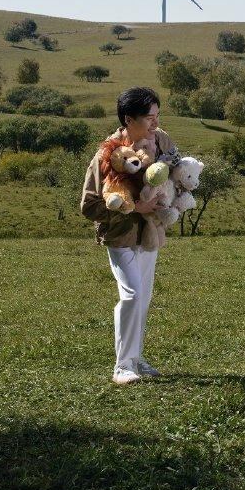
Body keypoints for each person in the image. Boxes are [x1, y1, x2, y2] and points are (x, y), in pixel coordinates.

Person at [80, 86, 178, 386]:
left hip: (151, 233)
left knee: (143, 298)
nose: (155, 124)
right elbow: (89, 205)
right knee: (132, 295)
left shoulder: (160, 141)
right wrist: (135, 207)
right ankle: (122, 366)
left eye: (157, 116)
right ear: (128, 119)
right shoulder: (107, 153)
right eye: (149, 118)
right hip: (121, 235)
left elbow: (174, 168)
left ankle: (136, 359)